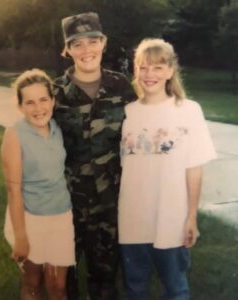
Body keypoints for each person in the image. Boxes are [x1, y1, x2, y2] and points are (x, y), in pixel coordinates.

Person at [118, 38, 217, 300]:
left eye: (158, 67)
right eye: (143, 67)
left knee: (175, 289)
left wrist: (191, 217)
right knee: (135, 287)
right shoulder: (126, 113)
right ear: (135, 70)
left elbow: (194, 168)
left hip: (171, 218)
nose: (150, 74)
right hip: (132, 218)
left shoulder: (189, 111)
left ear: (171, 71)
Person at [53, 12, 136, 300]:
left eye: (92, 41)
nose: (85, 49)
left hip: (110, 200)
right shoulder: (54, 94)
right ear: (67, 50)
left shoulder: (122, 88)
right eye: (77, 44)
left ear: (103, 43)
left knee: (105, 279)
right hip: (66, 200)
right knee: (65, 276)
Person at [1, 69, 75, 300]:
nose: (38, 108)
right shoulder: (15, 134)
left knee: (57, 287)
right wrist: (21, 236)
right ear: (20, 106)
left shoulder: (57, 129)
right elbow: (13, 190)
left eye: (43, 99)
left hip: (61, 216)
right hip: (29, 218)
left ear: (53, 101)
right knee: (32, 284)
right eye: (30, 102)